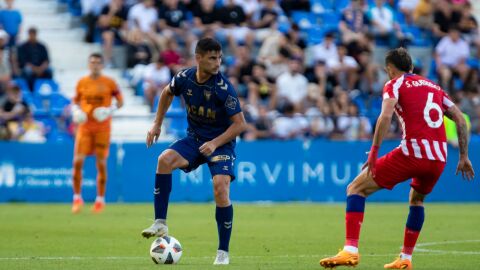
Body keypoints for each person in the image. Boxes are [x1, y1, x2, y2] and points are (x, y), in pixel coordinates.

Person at [319, 48, 474, 270]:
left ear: (390, 69)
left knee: (355, 188)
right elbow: (460, 119)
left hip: (413, 152)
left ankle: (350, 251)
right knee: (417, 200)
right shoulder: (434, 87)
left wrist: (374, 151)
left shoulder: (395, 84)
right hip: (439, 158)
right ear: (411, 67)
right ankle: (405, 259)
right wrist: (464, 156)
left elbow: (385, 115)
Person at [141, 38, 247, 265]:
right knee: (164, 160)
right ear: (198, 58)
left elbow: (240, 124)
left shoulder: (223, 88)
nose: (217, 62)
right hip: (195, 138)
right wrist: (157, 124)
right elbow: (167, 93)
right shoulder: (184, 78)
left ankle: (223, 252)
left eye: (219, 58)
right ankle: (160, 222)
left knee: (220, 188)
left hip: (220, 143)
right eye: (212, 58)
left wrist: (215, 143)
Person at [70, 53, 124, 214]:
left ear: (102, 65)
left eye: (98, 62)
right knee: (78, 161)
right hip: (85, 128)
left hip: (102, 128)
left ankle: (100, 200)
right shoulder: (82, 82)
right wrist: (75, 110)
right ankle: (77, 198)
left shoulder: (110, 82)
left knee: (101, 163)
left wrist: (109, 110)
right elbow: (75, 101)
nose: (95, 65)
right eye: (92, 62)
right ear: (89, 64)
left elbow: (120, 102)